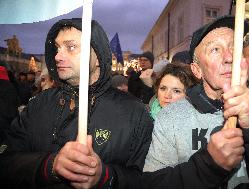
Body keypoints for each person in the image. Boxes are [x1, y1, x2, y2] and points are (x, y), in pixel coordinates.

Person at [0, 18, 154, 189]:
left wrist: (104, 177)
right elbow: (6, 161)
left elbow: (145, 179)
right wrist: (49, 165)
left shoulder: (134, 112)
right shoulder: (38, 104)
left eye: (71, 47)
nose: (57, 56)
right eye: (57, 48)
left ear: (98, 57)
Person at [144, 15, 249, 188]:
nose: (229, 57)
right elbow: (153, 183)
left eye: (234, 47)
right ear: (197, 70)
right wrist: (209, 164)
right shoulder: (170, 118)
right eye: (215, 50)